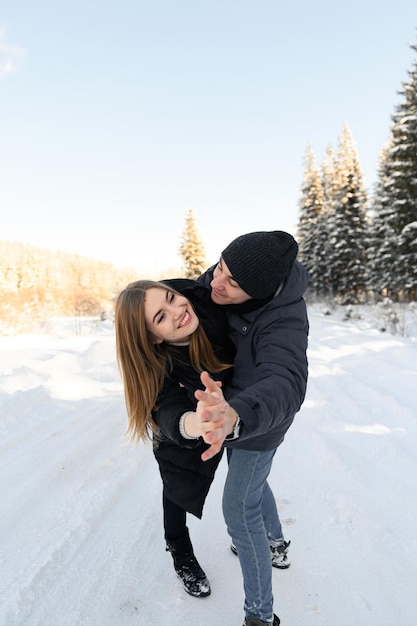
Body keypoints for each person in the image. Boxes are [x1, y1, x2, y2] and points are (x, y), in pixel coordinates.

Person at [155, 231, 309, 626]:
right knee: (254, 484)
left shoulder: (284, 318)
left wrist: (236, 416)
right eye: (220, 267)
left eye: (233, 283)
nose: (216, 283)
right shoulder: (220, 281)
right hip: (224, 410)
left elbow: (286, 380)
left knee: (240, 511)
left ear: (259, 292)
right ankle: (275, 543)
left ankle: (259, 616)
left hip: (257, 422)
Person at [114, 278, 235, 599]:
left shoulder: (207, 306)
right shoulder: (160, 364)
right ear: (153, 338)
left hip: (230, 414)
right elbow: (167, 408)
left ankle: (246, 529)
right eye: (160, 317)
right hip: (178, 434)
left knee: (248, 469)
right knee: (178, 487)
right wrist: (196, 422)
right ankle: (179, 548)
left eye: (171, 298)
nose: (177, 310)